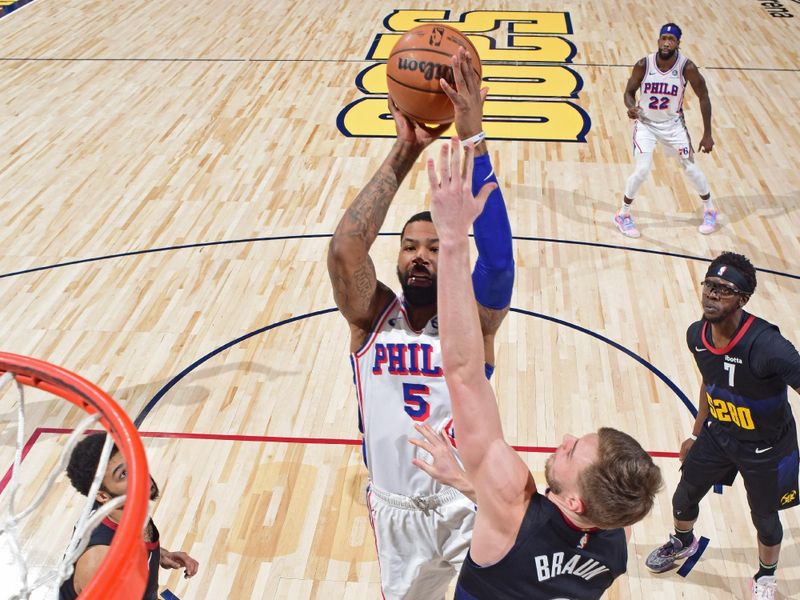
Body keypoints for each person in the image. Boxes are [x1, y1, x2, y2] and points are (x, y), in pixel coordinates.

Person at [426, 136, 662, 598]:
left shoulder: (512, 496)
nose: (567, 438)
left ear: (575, 501)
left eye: (573, 452)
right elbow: (544, 532)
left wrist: (453, 240)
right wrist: (472, 486)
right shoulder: (617, 539)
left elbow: (463, 372)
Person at [326, 48, 514, 599]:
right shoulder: (371, 317)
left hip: (467, 495)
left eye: (434, 247)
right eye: (410, 247)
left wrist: (472, 139)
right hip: (395, 505)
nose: (420, 256)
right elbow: (343, 251)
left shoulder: (474, 322)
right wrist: (405, 150)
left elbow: (498, 262)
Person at [645, 251, 800, 600]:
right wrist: (695, 433)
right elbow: (709, 382)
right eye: (710, 286)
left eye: (725, 289)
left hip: (767, 448)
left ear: (743, 299)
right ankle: (683, 542)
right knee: (683, 497)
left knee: (765, 520)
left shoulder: (769, 346)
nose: (713, 294)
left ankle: (766, 577)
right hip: (719, 435)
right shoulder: (696, 335)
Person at [59, 433, 199, 600]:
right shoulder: (99, 563)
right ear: (102, 496)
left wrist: (160, 555)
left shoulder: (127, 506)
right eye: (123, 474)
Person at [615, 23, 717, 238]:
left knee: (690, 168)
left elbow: (704, 97)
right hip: (646, 124)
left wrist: (707, 133)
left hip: (673, 126)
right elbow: (628, 92)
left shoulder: (687, 67)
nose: (667, 42)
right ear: (658, 40)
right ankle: (623, 215)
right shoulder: (644, 64)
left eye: (671, 39)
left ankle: (709, 209)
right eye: (664, 38)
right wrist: (630, 107)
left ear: (678, 43)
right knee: (642, 170)